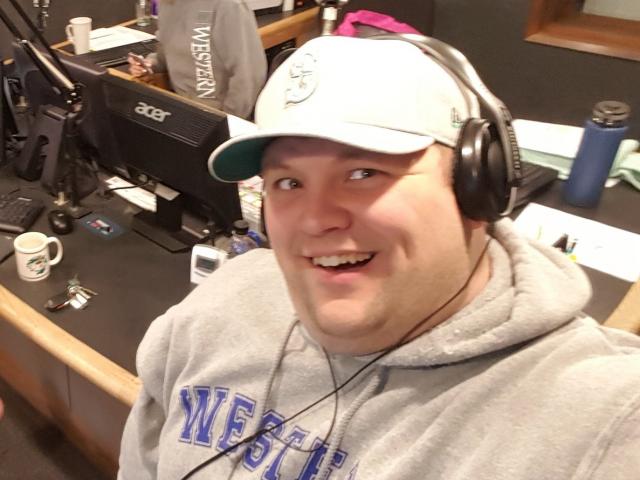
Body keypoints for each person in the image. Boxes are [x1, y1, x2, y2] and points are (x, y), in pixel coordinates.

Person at [118, 35, 640, 480]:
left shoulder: (602, 421)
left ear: (477, 188)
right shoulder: (216, 306)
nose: (315, 219)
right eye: (289, 182)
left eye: (364, 173)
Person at [128, 0, 267, 119]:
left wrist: (229, 120)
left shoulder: (228, 6)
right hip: (182, 108)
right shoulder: (167, 4)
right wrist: (150, 64)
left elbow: (249, 74)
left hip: (219, 115)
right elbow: (166, 53)